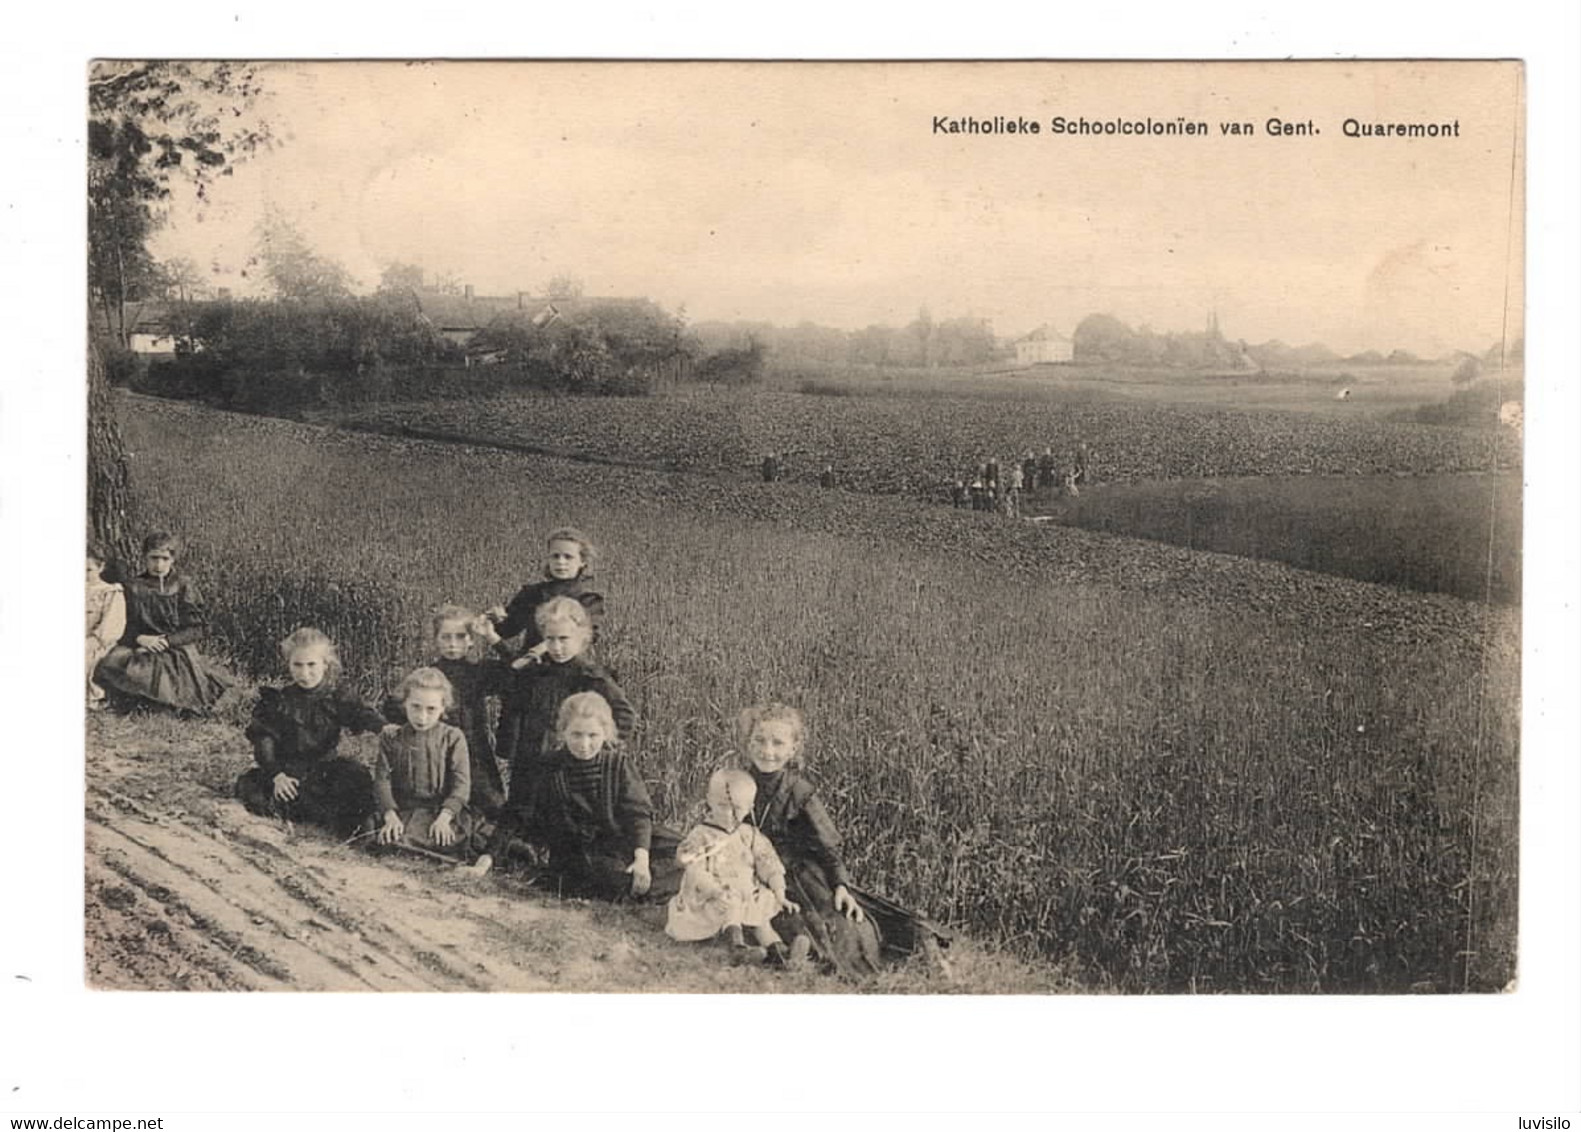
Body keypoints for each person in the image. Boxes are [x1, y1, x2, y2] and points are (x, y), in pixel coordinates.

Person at [735, 703, 950, 979]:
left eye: (778, 743)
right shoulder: (739, 781)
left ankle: (922, 943)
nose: (768, 751)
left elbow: (827, 846)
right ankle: (785, 949)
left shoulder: (799, 792)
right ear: (748, 742)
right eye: (760, 741)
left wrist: (840, 884)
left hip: (798, 873)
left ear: (793, 748)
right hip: (753, 868)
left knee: (837, 922)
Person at [466, 693, 677, 900]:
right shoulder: (547, 767)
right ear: (563, 732)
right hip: (577, 853)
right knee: (615, 878)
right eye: (576, 734)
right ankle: (642, 885)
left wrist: (641, 858)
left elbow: (637, 815)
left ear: (606, 733)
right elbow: (514, 815)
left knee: (683, 851)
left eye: (592, 735)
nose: (584, 744)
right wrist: (486, 860)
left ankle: (650, 878)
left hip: (620, 840)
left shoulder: (618, 765)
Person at [481, 598, 637, 865]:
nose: (557, 646)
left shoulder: (590, 675)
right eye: (550, 639)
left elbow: (625, 715)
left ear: (583, 636)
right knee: (519, 804)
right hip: (535, 755)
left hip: (575, 766)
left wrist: (602, 750)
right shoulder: (538, 671)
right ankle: (490, 858)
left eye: (564, 638)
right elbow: (515, 677)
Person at [234, 627, 386, 836]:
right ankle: (316, 817)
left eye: (312, 665)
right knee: (254, 791)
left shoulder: (337, 697)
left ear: (325, 664)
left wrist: (386, 728)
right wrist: (277, 775)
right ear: (288, 664)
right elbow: (264, 743)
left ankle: (356, 826)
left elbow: (362, 715)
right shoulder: (279, 701)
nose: (304, 673)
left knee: (355, 777)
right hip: (289, 773)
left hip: (325, 770)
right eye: (297, 665)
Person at [484, 528, 607, 760]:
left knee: (555, 743)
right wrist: (498, 618)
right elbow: (508, 630)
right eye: (555, 556)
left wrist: (547, 646)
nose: (560, 562)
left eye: (568, 557)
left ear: (582, 562)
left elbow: (589, 635)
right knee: (521, 753)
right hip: (527, 677)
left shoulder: (588, 599)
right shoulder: (532, 593)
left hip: (563, 676)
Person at [666, 768, 808, 967]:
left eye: (738, 809)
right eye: (723, 806)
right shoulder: (701, 835)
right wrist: (714, 889)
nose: (730, 814)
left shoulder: (749, 835)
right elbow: (694, 869)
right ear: (709, 800)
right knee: (730, 904)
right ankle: (735, 947)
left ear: (750, 807)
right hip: (711, 896)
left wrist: (779, 892)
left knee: (762, 915)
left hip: (745, 894)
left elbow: (769, 862)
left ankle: (780, 951)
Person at [384, 605, 509, 817]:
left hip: (475, 753)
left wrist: (491, 636)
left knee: (495, 809)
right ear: (436, 640)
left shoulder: (480, 671)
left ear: (471, 639)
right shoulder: (430, 675)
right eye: (446, 637)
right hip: (438, 751)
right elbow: (393, 706)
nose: (453, 644)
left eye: (460, 637)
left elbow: (516, 670)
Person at [95, 531, 234, 715]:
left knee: (172, 681)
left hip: (174, 647)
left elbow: (198, 628)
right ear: (144, 557)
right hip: (142, 646)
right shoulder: (133, 586)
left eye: (164, 559)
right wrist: (140, 638)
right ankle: (141, 702)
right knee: (113, 664)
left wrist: (167, 641)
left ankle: (164, 705)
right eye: (153, 558)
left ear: (173, 560)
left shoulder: (183, 585)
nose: (158, 565)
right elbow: (123, 624)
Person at [370, 666, 488, 860]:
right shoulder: (391, 737)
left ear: (443, 708)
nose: (422, 717)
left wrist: (444, 818)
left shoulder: (453, 737)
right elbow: (382, 780)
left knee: (460, 836)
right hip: (404, 810)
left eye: (431, 709)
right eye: (415, 707)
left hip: (441, 811)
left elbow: (461, 785)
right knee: (378, 831)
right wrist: (390, 816)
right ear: (405, 703)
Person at [85, 540, 126, 712]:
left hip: (98, 643)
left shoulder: (110, 592)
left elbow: (111, 627)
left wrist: (91, 642)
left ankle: (92, 697)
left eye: (88, 570)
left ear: (101, 567)